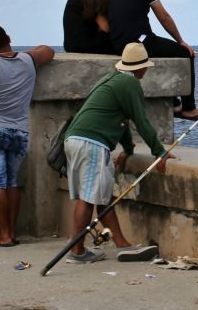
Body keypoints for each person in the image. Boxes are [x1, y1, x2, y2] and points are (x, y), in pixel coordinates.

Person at [60, 42, 171, 264]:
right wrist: (159, 151)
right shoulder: (129, 84)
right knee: (88, 197)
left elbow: (122, 121)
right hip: (91, 143)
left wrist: (128, 150)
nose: (146, 71)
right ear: (139, 68)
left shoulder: (111, 79)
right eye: (145, 67)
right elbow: (141, 120)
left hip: (75, 139)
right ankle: (76, 250)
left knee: (101, 195)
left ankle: (122, 246)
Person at [0, 24, 55, 246]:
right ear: (9, 38)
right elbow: (48, 50)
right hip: (20, 130)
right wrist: (27, 53)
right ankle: (12, 233)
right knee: (12, 182)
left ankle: (3, 235)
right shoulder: (28, 60)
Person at [108, 0, 198, 119]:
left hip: (119, 46)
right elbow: (164, 17)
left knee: (158, 46)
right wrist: (180, 41)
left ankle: (174, 102)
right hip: (140, 42)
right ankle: (189, 107)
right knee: (185, 53)